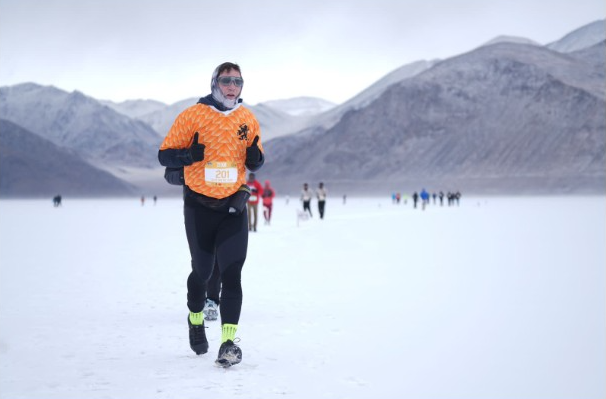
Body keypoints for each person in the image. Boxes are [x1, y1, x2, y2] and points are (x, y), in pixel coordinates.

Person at [158, 61, 264, 368]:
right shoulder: (192, 115)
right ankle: (195, 319)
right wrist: (188, 156)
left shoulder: (247, 118)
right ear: (214, 83)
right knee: (203, 272)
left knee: (232, 274)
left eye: (238, 81)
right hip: (199, 206)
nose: (233, 86)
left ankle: (228, 343)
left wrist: (256, 160)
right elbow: (164, 154)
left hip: (233, 206)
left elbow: (256, 157)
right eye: (227, 80)